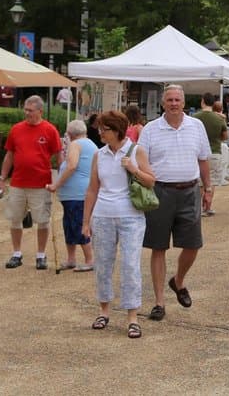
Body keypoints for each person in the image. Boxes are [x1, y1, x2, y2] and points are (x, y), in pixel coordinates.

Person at [139, 84, 211, 321]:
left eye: (177, 100)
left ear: (183, 102)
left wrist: (208, 187)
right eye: (169, 100)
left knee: (193, 244)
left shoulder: (196, 126)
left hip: (189, 190)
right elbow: (141, 161)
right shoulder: (150, 129)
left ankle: (178, 281)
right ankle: (159, 303)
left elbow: (203, 160)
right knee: (158, 246)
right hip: (160, 192)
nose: (173, 104)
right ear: (163, 103)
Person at [82, 110, 156, 339]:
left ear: (117, 130)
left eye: (105, 129)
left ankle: (132, 316)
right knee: (103, 264)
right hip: (103, 215)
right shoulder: (99, 155)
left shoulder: (136, 150)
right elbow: (93, 189)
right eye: (100, 128)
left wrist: (133, 169)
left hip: (131, 216)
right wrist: (86, 221)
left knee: (130, 265)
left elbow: (151, 180)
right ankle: (104, 310)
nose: (100, 132)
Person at [0, 96, 64, 270]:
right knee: (15, 218)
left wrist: (60, 179)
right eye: (25, 110)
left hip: (41, 184)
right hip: (18, 182)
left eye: (30, 110)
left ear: (40, 111)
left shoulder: (50, 130)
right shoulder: (16, 129)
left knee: (42, 220)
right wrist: (2, 178)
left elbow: (59, 155)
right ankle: (17, 253)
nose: (27, 113)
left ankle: (41, 255)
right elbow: (9, 155)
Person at [47, 119, 96, 271]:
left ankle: (89, 260)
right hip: (76, 194)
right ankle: (71, 259)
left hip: (77, 194)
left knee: (78, 225)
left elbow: (72, 166)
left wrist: (56, 184)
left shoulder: (76, 144)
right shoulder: (90, 144)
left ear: (69, 134)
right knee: (69, 225)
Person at [193, 93, 228, 216]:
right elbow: (225, 136)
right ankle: (207, 207)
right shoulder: (219, 119)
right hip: (214, 151)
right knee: (211, 181)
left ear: (202, 101)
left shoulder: (195, 117)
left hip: (197, 153)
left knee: (199, 181)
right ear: (213, 103)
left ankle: (198, 208)